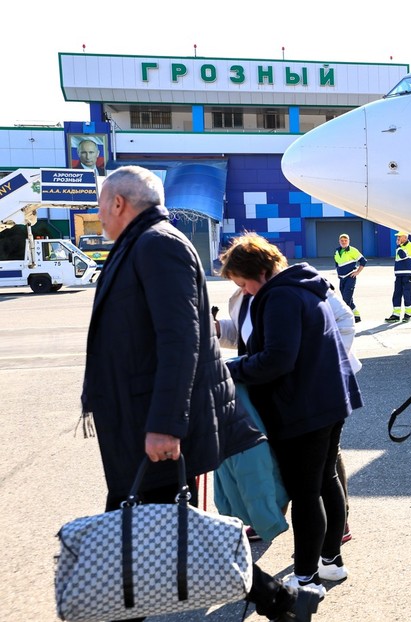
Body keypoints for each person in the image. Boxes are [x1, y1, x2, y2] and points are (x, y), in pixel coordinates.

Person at [81, 166, 321, 621]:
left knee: (144, 530)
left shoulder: (158, 245)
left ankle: (281, 602)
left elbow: (181, 340)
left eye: (100, 205)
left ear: (118, 203)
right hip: (138, 421)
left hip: (153, 426)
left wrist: (165, 425)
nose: (99, 215)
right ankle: (283, 603)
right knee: (170, 529)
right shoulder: (139, 244)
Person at [221, 233, 363, 597]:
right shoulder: (302, 286)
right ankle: (330, 563)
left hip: (304, 408)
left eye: (244, 283)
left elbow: (277, 359)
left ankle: (305, 578)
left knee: (305, 493)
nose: (246, 292)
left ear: (261, 271)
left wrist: (231, 369)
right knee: (326, 479)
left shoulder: (279, 296)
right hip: (329, 401)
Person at [334, 233, 368, 322]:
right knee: (348, 299)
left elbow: (363, 261)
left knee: (345, 299)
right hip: (342, 279)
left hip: (350, 278)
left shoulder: (353, 250)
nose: (344, 242)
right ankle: (356, 316)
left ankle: (344, 318)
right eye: (342, 241)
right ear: (339, 241)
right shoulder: (337, 251)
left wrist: (357, 272)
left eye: (345, 240)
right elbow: (337, 263)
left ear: (349, 241)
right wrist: (338, 273)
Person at [385, 231, 411, 323]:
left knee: (407, 295)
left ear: (405, 238)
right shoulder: (400, 247)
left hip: (407, 275)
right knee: (396, 294)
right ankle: (396, 315)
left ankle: (408, 315)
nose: (397, 238)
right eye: (397, 237)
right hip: (399, 275)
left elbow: (403, 256)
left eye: (399, 237)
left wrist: (398, 246)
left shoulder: (410, 246)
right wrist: (399, 246)